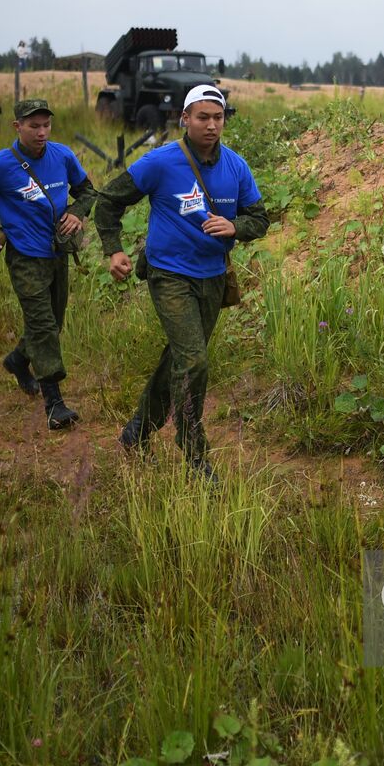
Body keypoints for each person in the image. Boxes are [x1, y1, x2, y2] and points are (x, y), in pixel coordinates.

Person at [95, 84, 269, 481]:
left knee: (178, 360)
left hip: (212, 278)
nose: (211, 125)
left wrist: (235, 226)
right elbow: (109, 200)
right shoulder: (160, 162)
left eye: (218, 117)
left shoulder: (236, 167)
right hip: (169, 273)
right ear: (184, 119)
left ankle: (135, 434)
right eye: (202, 117)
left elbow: (259, 218)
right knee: (193, 360)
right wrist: (114, 250)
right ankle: (194, 453)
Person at [0, 98, 96, 429]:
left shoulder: (63, 156)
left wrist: (76, 212)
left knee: (53, 323)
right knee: (44, 327)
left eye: (46, 125)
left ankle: (17, 360)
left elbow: (88, 191)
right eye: (34, 126)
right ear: (18, 127)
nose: (42, 132)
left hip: (58, 255)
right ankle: (54, 404)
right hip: (26, 258)